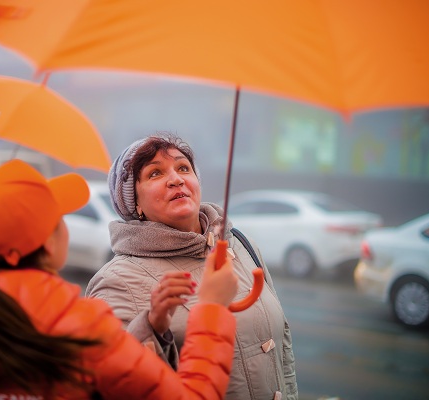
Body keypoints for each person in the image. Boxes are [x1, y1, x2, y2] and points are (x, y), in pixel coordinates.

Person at [0, 159, 239, 399]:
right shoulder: (83, 329)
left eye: (183, 168)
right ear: (48, 243)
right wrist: (211, 307)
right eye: (58, 217)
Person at [86, 133, 299, 400]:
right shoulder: (116, 281)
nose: (176, 179)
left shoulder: (242, 244)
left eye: (183, 168)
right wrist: (152, 329)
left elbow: (283, 351)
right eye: (155, 173)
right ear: (134, 202)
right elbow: (118, 384)